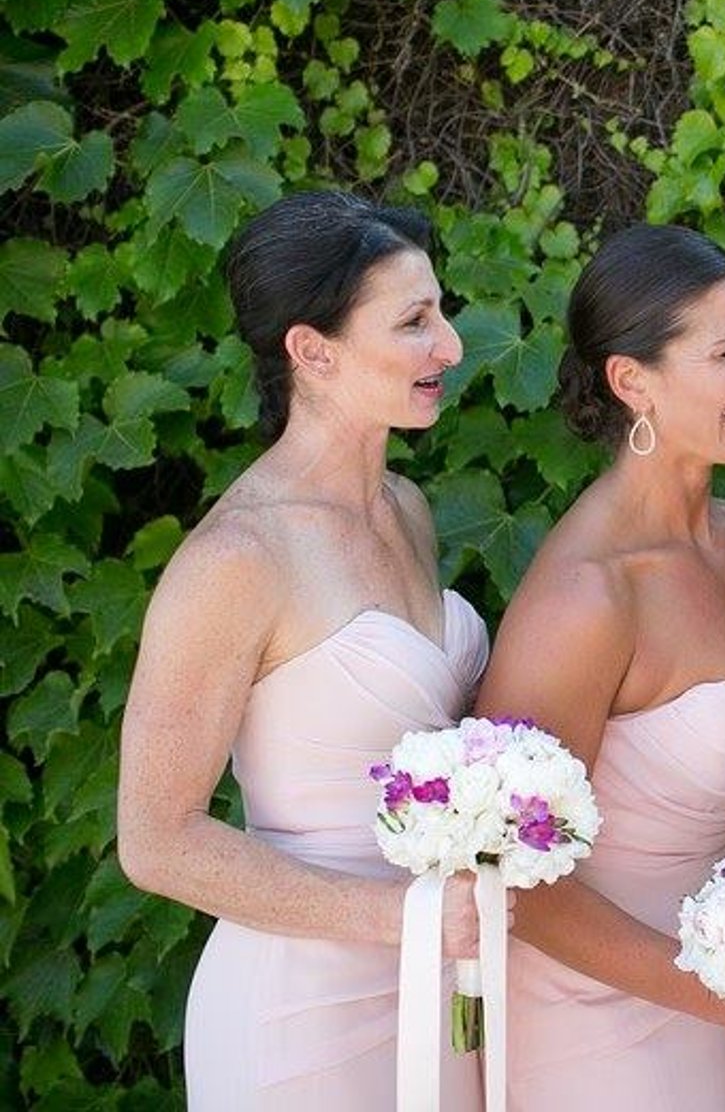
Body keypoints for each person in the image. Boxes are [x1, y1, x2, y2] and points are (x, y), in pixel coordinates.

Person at [116, 191, 482, 1109]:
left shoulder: (407, 509)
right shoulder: (238, 559)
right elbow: (157, 842)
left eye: (441, 312)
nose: (451, 347)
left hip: (439, 984)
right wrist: (407, 918)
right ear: (311, 351)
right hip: (301, 1015)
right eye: (413, 323)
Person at [474, 224, 725, 1109]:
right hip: (597, 1020)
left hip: (722, 1000)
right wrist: (723, 995)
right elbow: (517, 883)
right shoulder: (589, 596)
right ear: (631, 380)